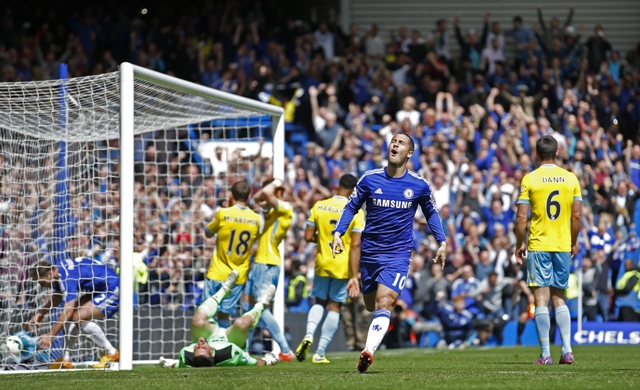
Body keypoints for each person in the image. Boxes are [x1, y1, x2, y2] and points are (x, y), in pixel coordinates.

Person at [332, 131, 447, 373]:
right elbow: (351, 206)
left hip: (398, 254)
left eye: (401, 142)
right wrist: (337, 233)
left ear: (409, 153)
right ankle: (372, 340)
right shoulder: (369, 179)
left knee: (386, 302)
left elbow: (431, 213)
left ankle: (368, 351)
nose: (395, 144)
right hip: (370, 254)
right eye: (393, 141)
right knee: (371, 304)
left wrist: (442, 241)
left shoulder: (419, 184)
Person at [515, 135, 582, 365]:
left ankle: (545, 354)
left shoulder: (530, 179)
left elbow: (521, 217)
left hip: (539, 246)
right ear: (557, 153)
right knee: (559, 299)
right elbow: (577, 216)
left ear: (536, 154)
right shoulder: (570, 178)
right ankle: (567, 350)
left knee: (541, 300)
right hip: (562, 246)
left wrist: (518, 243)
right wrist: (573, 242)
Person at [296, 174, 365, 364]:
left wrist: (323, 237)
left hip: (323, 261)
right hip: (342, 265)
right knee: (334, 306)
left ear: (337, 187)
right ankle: (319, 353)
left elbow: (308, 236)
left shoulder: (319, 206)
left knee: (319, 300)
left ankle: (309, 334)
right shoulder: (357, 212)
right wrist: (353, 275)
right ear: (352, 192)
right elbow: (355, 246)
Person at [159, 270, 279, 368]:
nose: (199, 344)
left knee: (197, 320)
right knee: (242, 323)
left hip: (209, 335)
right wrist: (268, 361)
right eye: (203, 348)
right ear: (211, 352)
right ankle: (262, 304)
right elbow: (252, 362)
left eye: (196, 348)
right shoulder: (231, 355)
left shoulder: (186, 357)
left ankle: (224, 290)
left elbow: (180, 363)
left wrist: (171, 363)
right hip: (232, 341)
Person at [25, 258, 120, 369]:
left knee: (78, 316)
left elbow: (68, 309)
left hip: (112, 288)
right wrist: (41, 313)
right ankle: (66, 360)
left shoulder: (67, 276)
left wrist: (51, 335)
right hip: (101, 289)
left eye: (41, 282)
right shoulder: (59, 272)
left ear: (50, 273)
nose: (41, 285)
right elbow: (58, 296)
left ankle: (111, 352)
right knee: (72, 316)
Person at [243, 178, 295, 361]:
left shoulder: (286, 209)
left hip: (268, 263)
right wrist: (275, 184)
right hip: (259, 263)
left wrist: (277, 181)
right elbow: (258, 196)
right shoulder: (272, 209)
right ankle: (244, 350)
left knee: (260, 307)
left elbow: (265, 193)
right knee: (247, 306)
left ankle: (286, 350)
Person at [202, 181, 262, 328]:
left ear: (230, 195)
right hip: (238, 275)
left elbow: (208, 233)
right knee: (225, 314)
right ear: (249, 197)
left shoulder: (223, 214)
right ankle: (220, 346)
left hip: (217, 272)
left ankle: (204, 346)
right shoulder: (256, 219)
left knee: (205, 313)